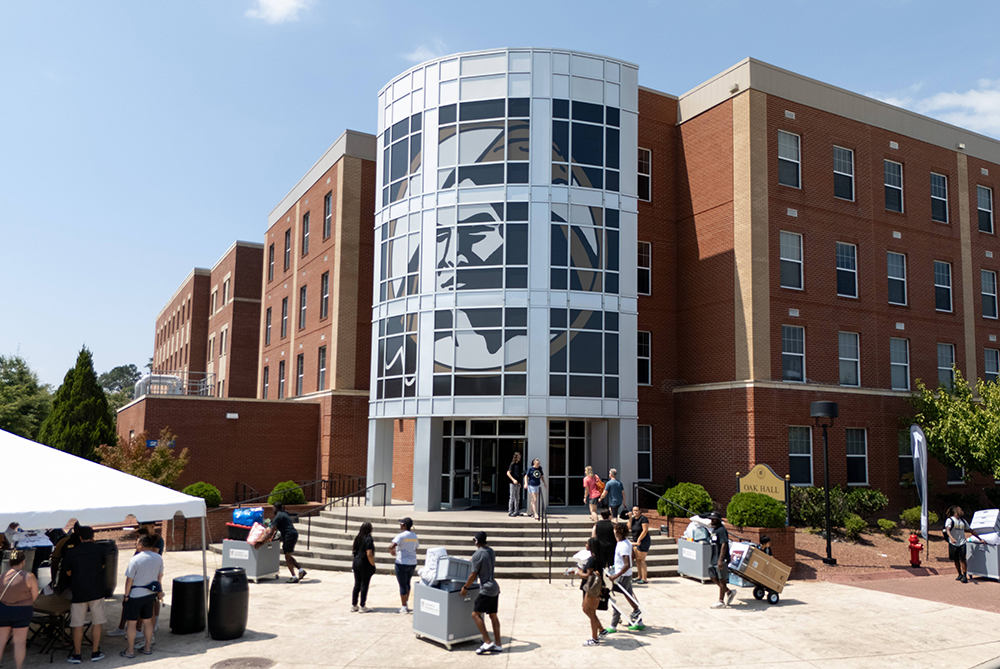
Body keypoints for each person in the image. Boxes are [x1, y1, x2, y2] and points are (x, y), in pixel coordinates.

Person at [63, 526, 107, 663]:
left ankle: (77, 654)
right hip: (97, 590)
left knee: (77, 624)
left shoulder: (71, 552)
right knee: (97, 622)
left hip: (79, 591)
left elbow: (67, 572)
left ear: (80, 537)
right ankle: (95, 652)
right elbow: (103, 567)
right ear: (93, 537)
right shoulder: (100, 549)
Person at [121, 534, 164, 659]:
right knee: (148, 621)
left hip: (135, 595)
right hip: (150, 594)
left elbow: (129, 580)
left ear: (140, 545)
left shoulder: (135, 559)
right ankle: (147, 647)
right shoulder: (158, 558)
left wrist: (126, 595)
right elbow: (159, 577)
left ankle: (130, 651)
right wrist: (159, 592)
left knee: (132, 623)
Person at [461, 531, 502, 655]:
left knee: (475, 614)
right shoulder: (491, 551)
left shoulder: (477, 555)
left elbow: (473, 575)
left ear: (477, 541)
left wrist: (465, 587)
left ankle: (487, 641)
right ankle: (498, 644)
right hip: (495, 587)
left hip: (486, 589)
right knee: (493, 616)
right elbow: (482, 561)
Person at [0, 550, 39, 669]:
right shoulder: (29, 576)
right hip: (23, 610)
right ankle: (18, 667)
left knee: (1, 640)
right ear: (23, 562)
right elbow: (35, 596)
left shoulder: (2, 576)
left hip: (4, 609)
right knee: (20, 642)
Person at [605, 523, 643, 635]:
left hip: (622, 576)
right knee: (629, 597)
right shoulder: (625, 543)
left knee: (618, 600)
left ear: (618, 532)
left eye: (615, 530)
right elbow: (633, 557)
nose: (613, 531)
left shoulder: (623, 545)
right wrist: (616, 567)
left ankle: (613, 624)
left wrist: (615, 576)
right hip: (625, 574)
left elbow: (626, 564)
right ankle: (639, 621)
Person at [575, 537, 604, 646]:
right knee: (585, 609)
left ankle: (594, 638)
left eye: (587, 543)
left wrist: (576, 573)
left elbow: (588, 575)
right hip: (593, 588)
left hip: (592, 588)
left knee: (591, 612)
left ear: (591, 546)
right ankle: (601, 629)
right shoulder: (599, 557)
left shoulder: (592, 559)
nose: (585, 544)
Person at [270, 503, 306, 583]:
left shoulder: (278, 516)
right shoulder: (284, 513)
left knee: (287, 557)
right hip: (293, 534)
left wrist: (264, 540)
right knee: (288, 555)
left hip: (289, 536)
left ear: (276, 508)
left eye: (273, 508)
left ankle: (294, 577)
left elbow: (272, 531)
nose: (273, 509)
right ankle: (301, 570)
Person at [945, 506, 982, 583]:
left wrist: (980, 538)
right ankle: (959, 574)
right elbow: (947, 530)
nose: (962, 511)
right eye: (960, 510)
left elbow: (970, 530)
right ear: (956, 511)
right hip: (953, 543)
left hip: (962, 542)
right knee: (956, 559)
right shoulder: (950, 520)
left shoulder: (963, 521)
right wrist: (951, 538)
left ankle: (964, 575)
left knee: (963, 559)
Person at [389, 517, 418, 613]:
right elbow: (415, 548)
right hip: (412, 562)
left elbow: (391, 546)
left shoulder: (401, 536)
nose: (400, 525)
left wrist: (392, 551)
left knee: (402, 585)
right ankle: (406, 603)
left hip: (401, 562)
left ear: (404, 525)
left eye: (401, 524)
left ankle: (404, 606)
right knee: (407, 583)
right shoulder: (414, 536)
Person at [707, 511, 735, 608]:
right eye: (711, 518)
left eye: (713, 519)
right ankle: (729, 592)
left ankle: (721, 601)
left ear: (718, 520)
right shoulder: (714, 530)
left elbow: (724, 544)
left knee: (722, 579)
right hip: (713, 558)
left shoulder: (722, 530)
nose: (711, 520)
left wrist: (720, 560)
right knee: (712, 577)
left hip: (721, 559)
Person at [351, 522, 376, 612]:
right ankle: (362, 605)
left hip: (356, 562)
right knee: (364, 584)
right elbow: (369, 554)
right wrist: (373, 564)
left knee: (357, 584)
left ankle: (354, 605)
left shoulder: (358, 538)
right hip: (364, 563)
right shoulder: (369, 539)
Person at [628, 507, 651, 584]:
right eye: (633, 510)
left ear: (640, 511)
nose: (635, 512)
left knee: (642, 560)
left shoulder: (643, 519)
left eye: (636, 510)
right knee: (637, 559)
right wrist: (630, 518)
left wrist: (639, 539)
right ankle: (639, 576)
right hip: (636, 541)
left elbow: (645, 530)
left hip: (643, 541)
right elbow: (628, 527)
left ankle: (644, 578)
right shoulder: (633, 519)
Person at [506, 452, 523, 517]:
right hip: (512, 483)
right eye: (518, 457)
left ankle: (517, 511)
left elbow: (519, 474)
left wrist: (519, 483)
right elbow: (508, 473)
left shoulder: (519, 464)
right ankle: (510, 511)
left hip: (517, 482)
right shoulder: (512, 464)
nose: (519, 458)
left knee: (517, 497)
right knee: (512, 497)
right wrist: (513, 480)